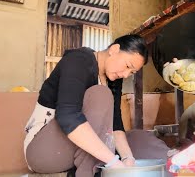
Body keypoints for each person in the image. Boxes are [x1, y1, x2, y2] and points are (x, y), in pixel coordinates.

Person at [23, 34, 170, 177]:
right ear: (114, 49)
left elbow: (115, 124)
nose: (126, 75)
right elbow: (68, 116)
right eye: (127, 66)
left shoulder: (113, 78)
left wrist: (127, 159)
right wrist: (113, 162)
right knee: (101, 94)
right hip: (44, 151)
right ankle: (87, 173)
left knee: (140, 138)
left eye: (132, 72)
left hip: (76, 153)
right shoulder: (79, 60)